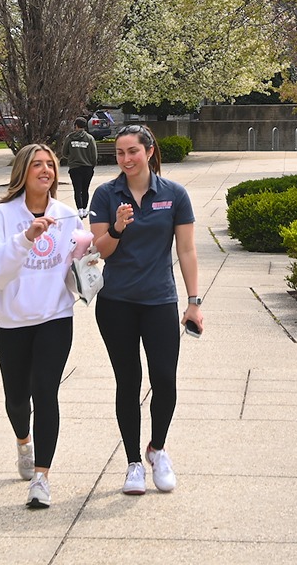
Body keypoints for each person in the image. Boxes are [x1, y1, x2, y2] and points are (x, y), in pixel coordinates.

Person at [88, 124, 202, 496]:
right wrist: (118, 228)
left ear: (149, 151)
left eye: (132, 151)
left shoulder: (174, 194)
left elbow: (186, 250)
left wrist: (193, 302)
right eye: (119, 154)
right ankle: (133, 463)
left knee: (165, 380)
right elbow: (99, 251)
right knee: (128, 382)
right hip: (116, 302)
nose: (125, 160)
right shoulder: (105, 194)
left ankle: (158, 448)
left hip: (159, 301)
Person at [0, 144, 87, 509]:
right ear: (23, 171)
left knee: (46, 392)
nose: (45, 170)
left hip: (55, 317)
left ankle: (41, 478)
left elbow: (81, 259)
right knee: (16, 399)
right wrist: (27, 237)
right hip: (12, 321)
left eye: (50, 165)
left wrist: (90, 256)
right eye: (37, 164)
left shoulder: (67, 214)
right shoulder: (2, 216)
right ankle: (24, 440)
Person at [61, 117, 98, 217]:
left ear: (76, 126)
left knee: (77, 189)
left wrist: (72, 158)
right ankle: (85, 209)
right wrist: (92, 165)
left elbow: (64, 153)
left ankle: (79, 209)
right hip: (87, 168)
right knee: (85, 189)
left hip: (74, 167)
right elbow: (94, 155)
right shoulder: (90, 138)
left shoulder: (69, 137)